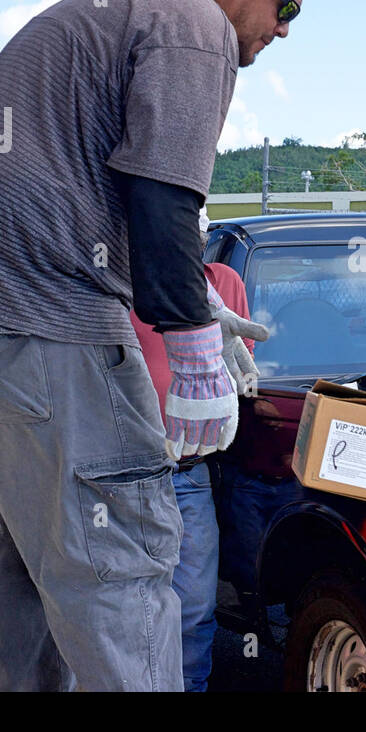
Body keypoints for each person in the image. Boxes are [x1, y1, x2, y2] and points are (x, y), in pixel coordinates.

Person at [0, 0, 315, 691]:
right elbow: (163, 198)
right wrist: (192, 350)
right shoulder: (194, 23)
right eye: (285, 8)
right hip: (35, 304)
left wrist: (193, 300)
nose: (282, 31)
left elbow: (111, 193)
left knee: (16, 579)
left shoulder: (125, 3)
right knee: (123, 580)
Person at [129, 205, 267, 692]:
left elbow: (239, 369)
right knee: (123, 611)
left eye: (195, 233)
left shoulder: (224, 283)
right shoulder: (118, 284)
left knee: (193, 607)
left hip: (189, 472)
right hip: (120, 476)